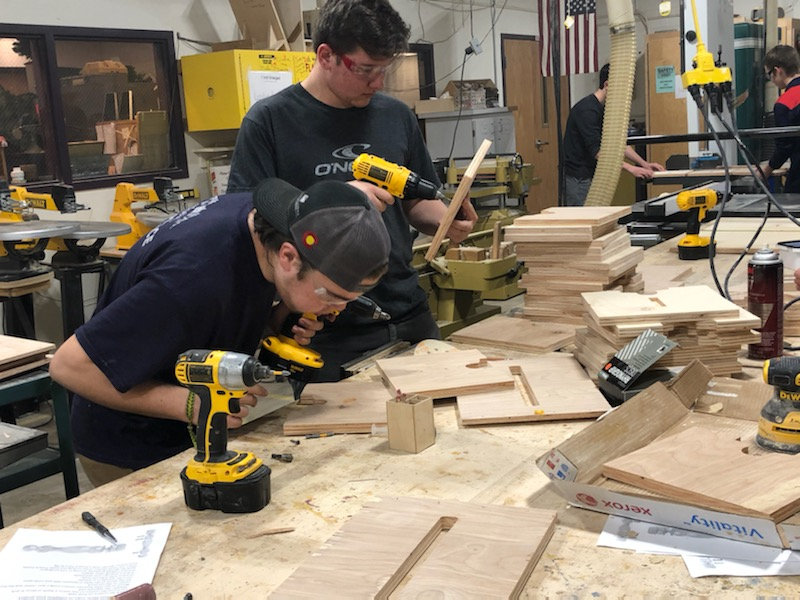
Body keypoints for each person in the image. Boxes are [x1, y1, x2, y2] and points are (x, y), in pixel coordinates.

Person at [48, 178, 391, 486]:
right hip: (129, 443)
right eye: (331, 295)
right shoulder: (188, 278)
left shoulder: (264, 224)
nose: (337, 308)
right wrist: (193, 405)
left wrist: (278, 318)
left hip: (190, 431)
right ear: (289, 257)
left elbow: (220, 310)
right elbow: (69, 365)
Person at [226, 0, 478, 382]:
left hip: (405, 310)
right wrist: (339, 201)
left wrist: (444, 219)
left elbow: (413, 202)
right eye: (365, 70)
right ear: (325, 55)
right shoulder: (269, 122)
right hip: (322, 325)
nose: (377, 83)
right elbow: (247, 222)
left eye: (384, 70)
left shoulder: (396, 116)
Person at [562, 63, 665, 206]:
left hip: (592, 175)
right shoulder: (587, 111)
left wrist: (644, 164)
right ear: (607, 84)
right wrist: (631, 168)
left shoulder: (602, 109)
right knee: (585, 221)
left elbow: (617, 143)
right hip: (579, 179)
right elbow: (598, 152)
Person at [761, 45, 800, 192]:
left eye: (769, 75)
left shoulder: (785, 102)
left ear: (778, 71)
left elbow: (785, 146)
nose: (771, 80)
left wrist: (768, 169)